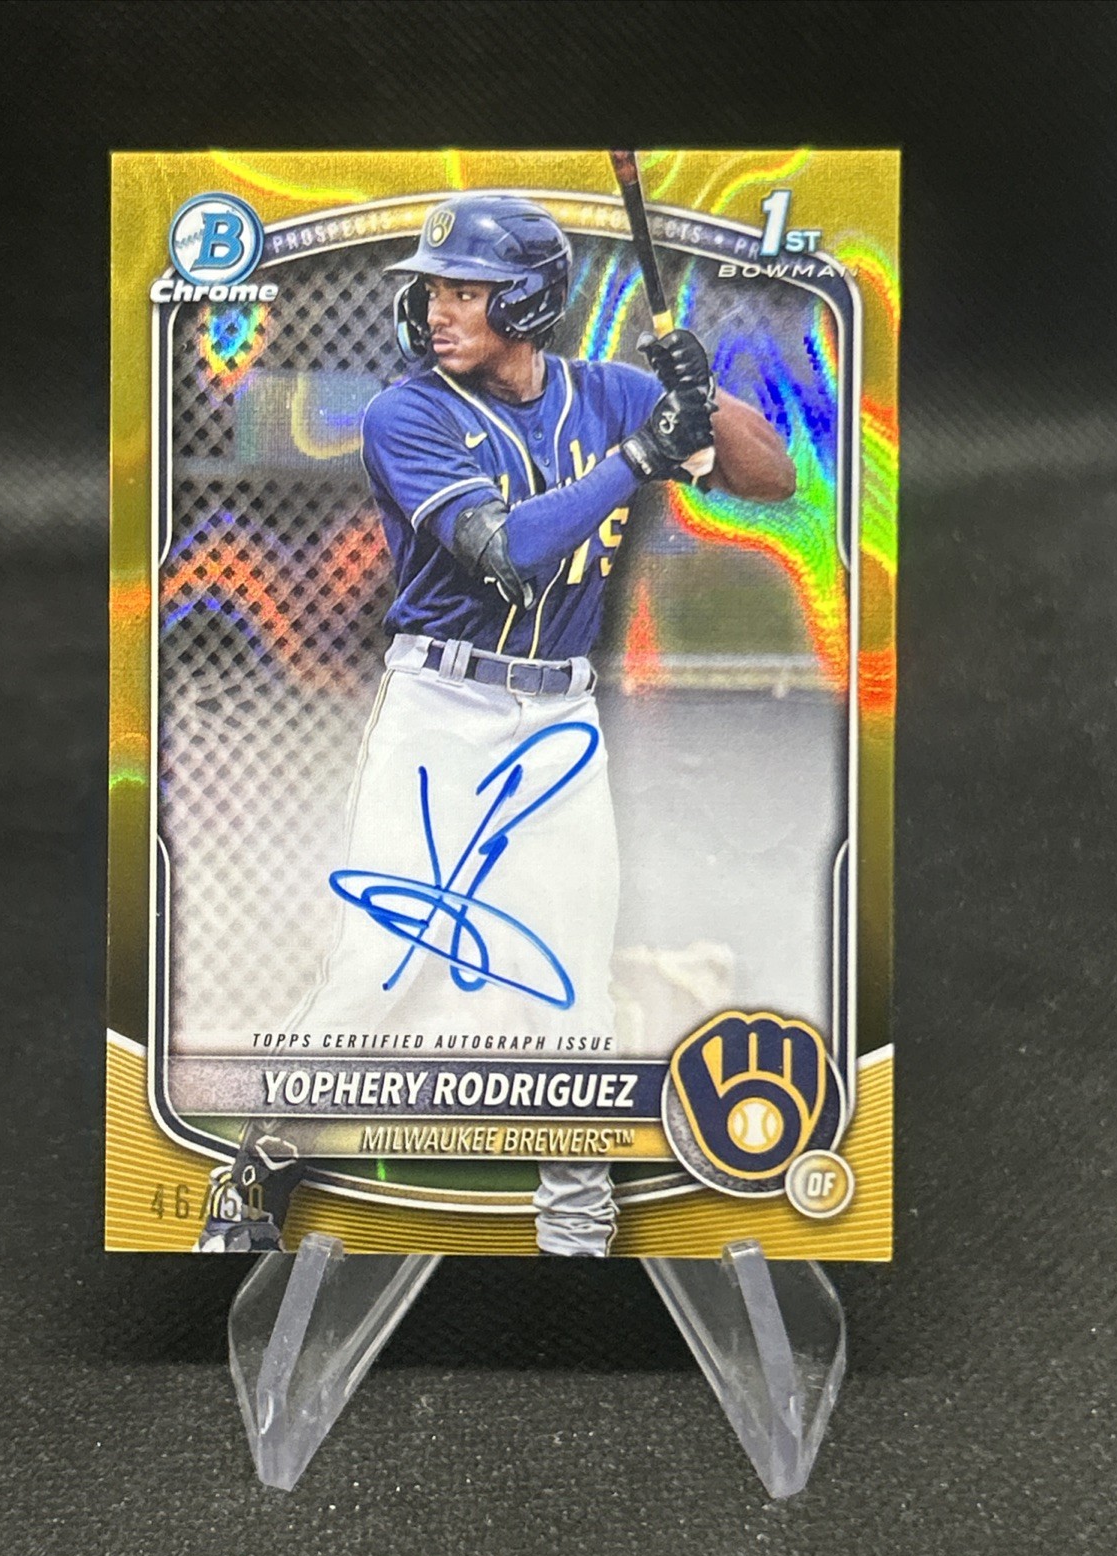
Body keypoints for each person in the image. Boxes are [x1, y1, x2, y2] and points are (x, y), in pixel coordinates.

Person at [196, 191, 794, 1254]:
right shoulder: (407, 415)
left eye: (465, 292)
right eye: (432, 290)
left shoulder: (607, 394)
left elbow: (771, 477)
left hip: (559, 717)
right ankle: (258, 1171)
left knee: (571, 995)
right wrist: (639, 456)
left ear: (525, 302)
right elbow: (504, 550)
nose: (436, 310)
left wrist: (702, 400)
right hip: (442, 710)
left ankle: (577, 1235)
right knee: (381, 968)